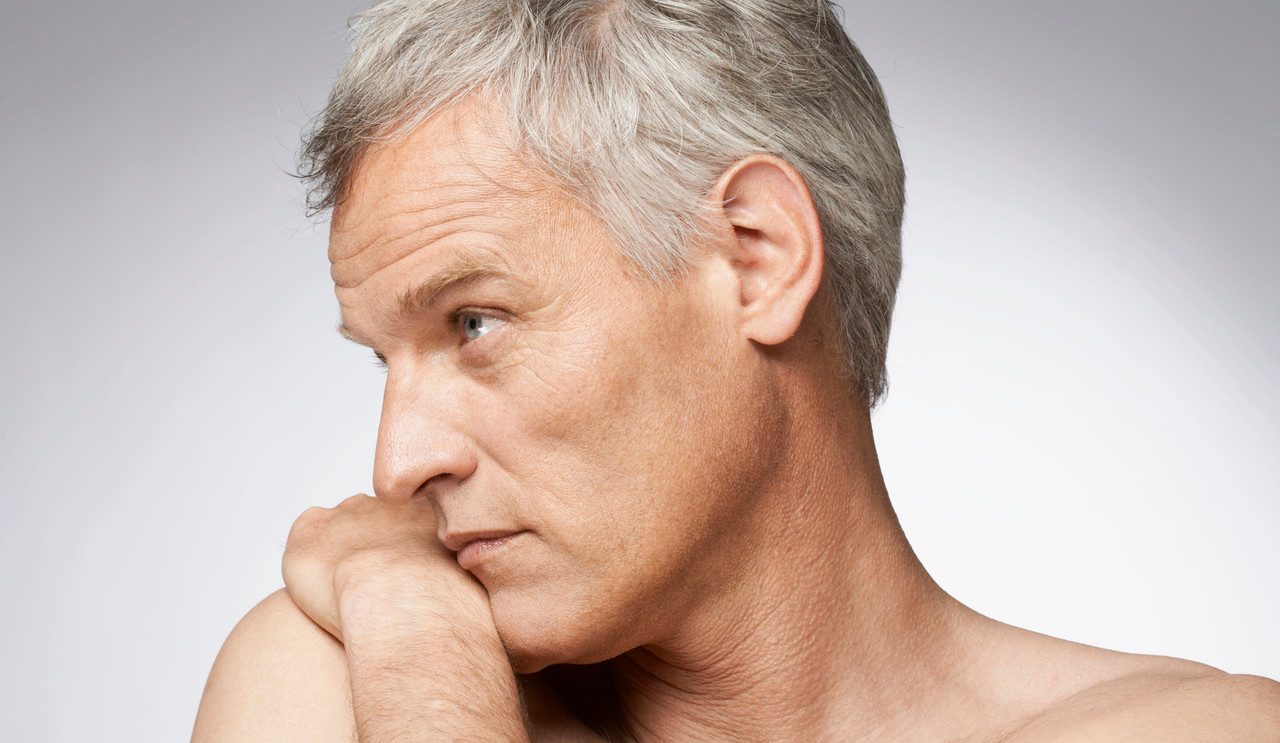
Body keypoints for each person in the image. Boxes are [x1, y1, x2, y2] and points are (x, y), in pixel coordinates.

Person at [191, 1, 1280, 740]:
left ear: (756, 258)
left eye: (474, 321)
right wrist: (412, 632)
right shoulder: (326, 676)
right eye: (384, 358)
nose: (394, 464)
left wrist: (430, 671)